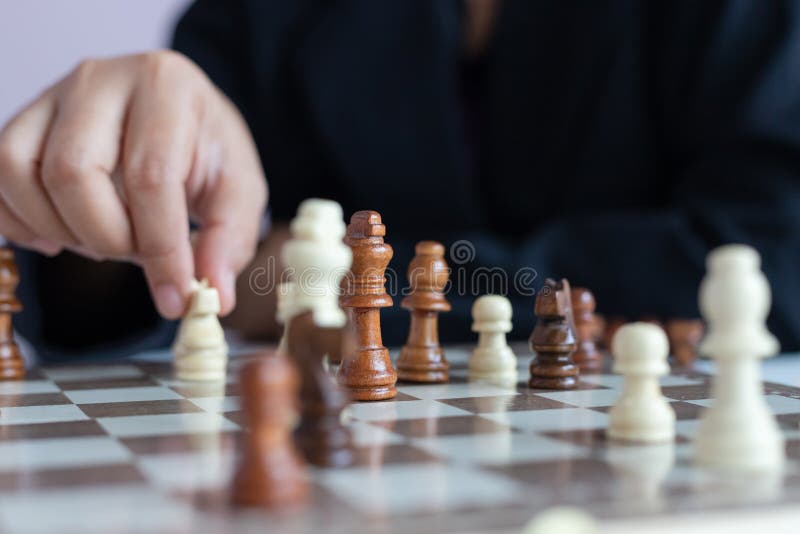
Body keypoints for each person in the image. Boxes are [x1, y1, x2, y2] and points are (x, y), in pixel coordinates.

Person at [1, 0, 799, 361]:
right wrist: (94, 183)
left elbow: (775, 255)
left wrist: (320, 279)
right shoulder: (258, 16)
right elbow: (121, 276)